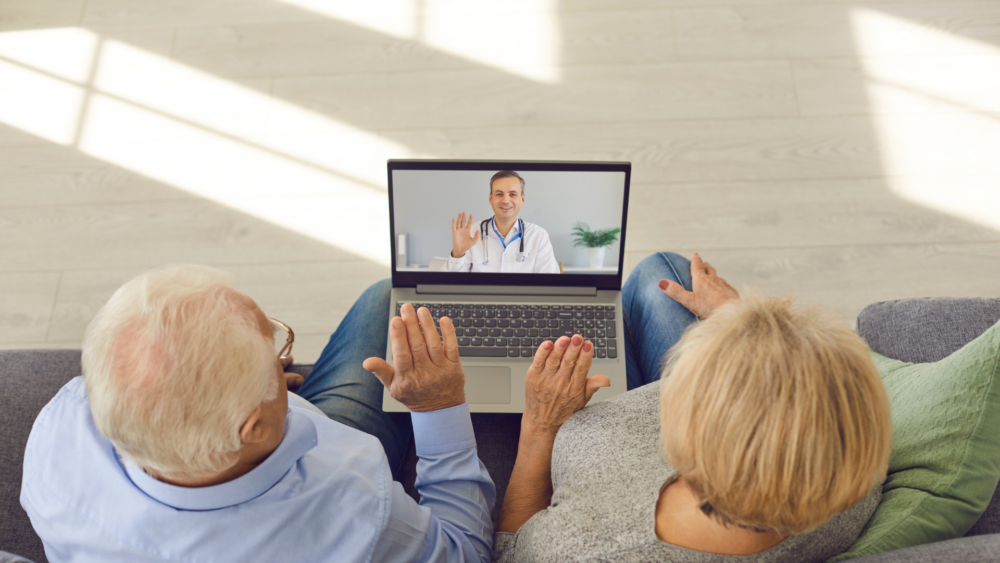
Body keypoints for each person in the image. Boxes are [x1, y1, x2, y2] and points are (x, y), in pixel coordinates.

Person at [20, 265, 498, 563]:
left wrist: (231, 382)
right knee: (384, 298)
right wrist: (439, 406)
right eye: (275, 350)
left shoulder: (60, 427)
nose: (281, 352)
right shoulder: (355, 516)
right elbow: (467, 552)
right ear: (252, 428)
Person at [493, 252, 894, 563]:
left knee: (661, 271)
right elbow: (804, 401)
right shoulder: (853, 474)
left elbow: (509, 551)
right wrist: (744, 326)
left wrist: (540, 425)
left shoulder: (582, 548)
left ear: (678, 446)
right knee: (662, 272)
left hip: (559, 427)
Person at [442, 170, 560, 273]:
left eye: (513, 194)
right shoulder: (473, 233)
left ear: (522, 199)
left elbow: (550, 285)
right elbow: (450, 285)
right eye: (499, 194)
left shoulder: (538, 236)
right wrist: (458, 254)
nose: (506, 200)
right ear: (490, 198)